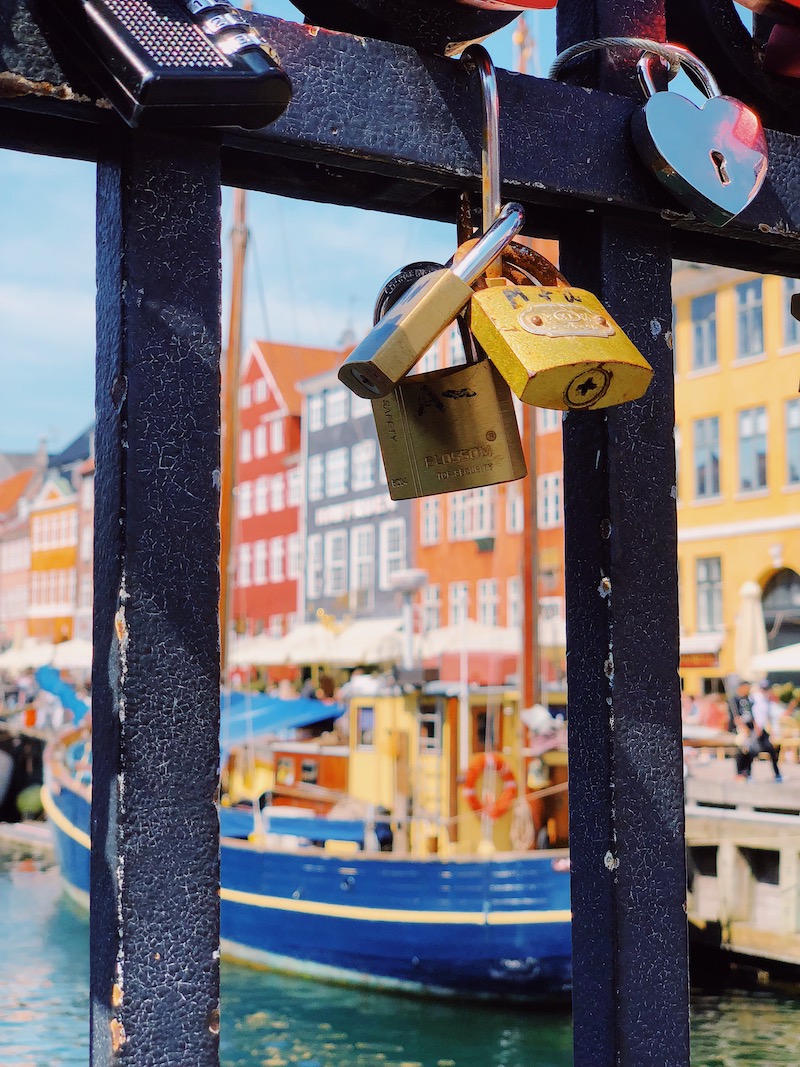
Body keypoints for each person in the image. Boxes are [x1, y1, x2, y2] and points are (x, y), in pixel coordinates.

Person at [739, 680, 783, 783]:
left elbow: (767, 717)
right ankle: (747, 773)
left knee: (769, 751)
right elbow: (751, 714)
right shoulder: (755, 698)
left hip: (763, 730)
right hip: (756, 730)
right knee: (754, 752)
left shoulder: (765, 700)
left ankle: (776, 774)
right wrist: (755, 727)